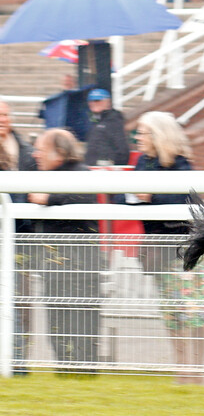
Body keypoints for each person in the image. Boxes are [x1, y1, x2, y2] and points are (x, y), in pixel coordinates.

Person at [132, 111, 204, 385]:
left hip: (187, 252)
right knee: (172, 315)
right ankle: (182, 370)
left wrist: (152, 196)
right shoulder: (141, 165)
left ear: (159, 136)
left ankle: (198, 370)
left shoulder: (181, 165)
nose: (138, 138)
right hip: (159, 253)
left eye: (143, 132)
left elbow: (186, 199)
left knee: (195, 314)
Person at [29, 129, 101, 373]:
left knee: (82, 326)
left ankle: (84, 374)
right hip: (55, 265)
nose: (35, 154)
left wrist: (48, 198)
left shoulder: (81, 173)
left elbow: (80, 196)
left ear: (59, 152)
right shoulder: (45, 174)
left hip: (81, 265)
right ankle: (64, 371)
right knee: (57, 325)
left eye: (40, 149)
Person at [0, 101, 37, 375]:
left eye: (6, 114)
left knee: (21, 305)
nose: (3, 119)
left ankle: (19, 364)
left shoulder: (24, 149)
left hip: (20, 240)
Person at [84, 88, 130, 167]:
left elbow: (122, 150)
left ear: (108, 102)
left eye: (97, 100)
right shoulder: (94, 120)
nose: (93, 103)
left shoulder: (114, 120)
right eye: (90, 101)